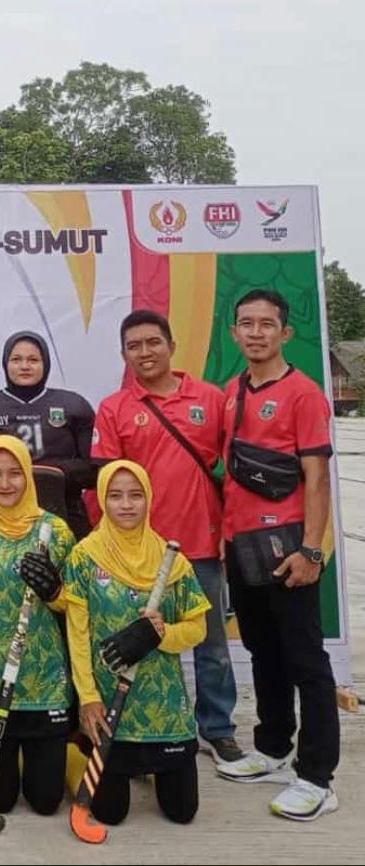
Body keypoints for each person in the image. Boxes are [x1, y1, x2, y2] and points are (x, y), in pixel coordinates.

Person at [212, 289, 339, 821]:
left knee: (306, 661)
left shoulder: (304, 394)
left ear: (285, 332)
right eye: (247, 324)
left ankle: (317, 777)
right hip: (241, 548)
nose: (256, 333)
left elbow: (316, 477)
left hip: (290, 548)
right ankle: (272, 748)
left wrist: (312, 549)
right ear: (235, 333)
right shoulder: (230, 392)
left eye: (267, 324)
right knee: (263, 651)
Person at [91, 310, 241, 763]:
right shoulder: (114, 409)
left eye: (153, 342)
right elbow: (104, 486)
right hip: (140, 554)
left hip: (202, 546)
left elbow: (234, 473)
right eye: (134, 346)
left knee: (211, 645)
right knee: (142, 643)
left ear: (172, 346)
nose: (145, 352)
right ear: (123, 355)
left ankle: (217, 728)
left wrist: (230, 530)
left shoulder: (210, 400)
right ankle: (141, 730)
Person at [64, 460, 209, 826]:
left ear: (149, 498)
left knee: (183, 813)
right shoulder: (84, 557)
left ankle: (154, 768)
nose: (126, 505)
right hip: (110, 710)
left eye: (135, 495)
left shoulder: (173, 562)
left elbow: (198, 629)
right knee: (111, 814)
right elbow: (77, 635)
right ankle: (72, 754)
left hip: (165, 710)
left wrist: (164, 634)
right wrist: (88, 699)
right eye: (115, 496)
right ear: (102, 499)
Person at [0, 435, 76, 817]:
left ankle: (72, 753)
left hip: (45, 682)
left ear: (28, 475)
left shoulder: (56, 531)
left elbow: (76, 607)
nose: (5, 483)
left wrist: (55, 592)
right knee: (1, 800)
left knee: (46, 802)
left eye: (14, 473)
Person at [0, 331, 96, 538]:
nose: (25, 366)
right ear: (5, 363)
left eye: (33, 360)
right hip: (2, 516)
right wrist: (13, 479)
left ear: (46, 363)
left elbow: (92, 470)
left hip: (65, 512)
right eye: (16, 359)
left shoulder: (74, 405)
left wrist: (48, 476)